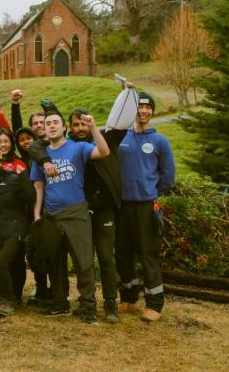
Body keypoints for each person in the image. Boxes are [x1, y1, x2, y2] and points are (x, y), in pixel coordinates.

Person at [31, 109, 110, 324]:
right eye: (48, 124)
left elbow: (104, 152)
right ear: (45, 130)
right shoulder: (41, 156)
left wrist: (93, 127)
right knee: (55, 262)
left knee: (83, 261)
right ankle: (60, 303)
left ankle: (88, 307)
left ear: (64, 127)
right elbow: (39, 188)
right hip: (51, 215)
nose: (52, 126)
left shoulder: (77, 148)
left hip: (76, 212)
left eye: (56, 122)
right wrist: (37, 216)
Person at [115, 92, 175, 322]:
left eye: (148, 107)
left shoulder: (159, 141)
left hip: (146, 206)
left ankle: (154, 304)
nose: (144, 111)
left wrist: (150, 194)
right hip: (122, 206)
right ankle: (128, 298)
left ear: (152, 111)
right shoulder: (121, 138)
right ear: (133, 110)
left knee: (147, 255)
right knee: (122, 253)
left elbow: (168, 177)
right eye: (140, 107)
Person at [67, 107, 123, 323]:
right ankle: (86, 303)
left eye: (84, 124)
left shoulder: (102, 139)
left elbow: (118, 132)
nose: (80, 128)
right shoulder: (68, 147)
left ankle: (111, 304)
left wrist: (127, 94)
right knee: (84, 260)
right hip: (80, 210)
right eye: (76, 124)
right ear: (70, 127)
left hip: (104, 209)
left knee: (107, 258)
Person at [0, 147, 33, 318]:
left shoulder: (13, 178)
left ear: (1, 162)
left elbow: (30, 198)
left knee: (2, 263)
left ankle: (9, 300)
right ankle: (5, 295)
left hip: (15, 229)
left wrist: (24, 176)